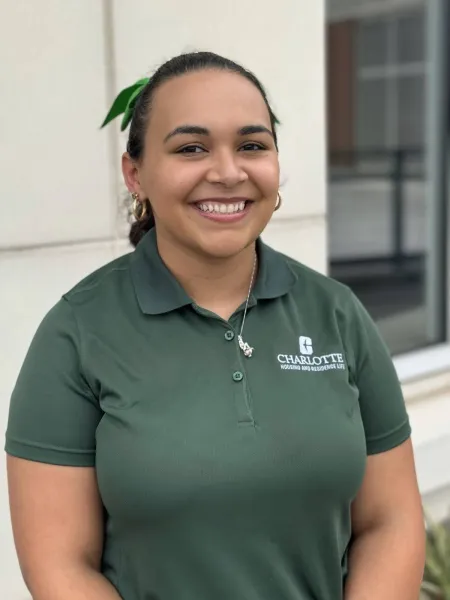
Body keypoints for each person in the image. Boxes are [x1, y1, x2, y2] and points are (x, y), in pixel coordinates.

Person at [5, 51, 425, 600]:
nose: (228, 172)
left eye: (252, 145)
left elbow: (390, 522)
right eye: (191, 148)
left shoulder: (337, 314)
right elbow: (61, 566)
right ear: (136, 174)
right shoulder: (75, 334)